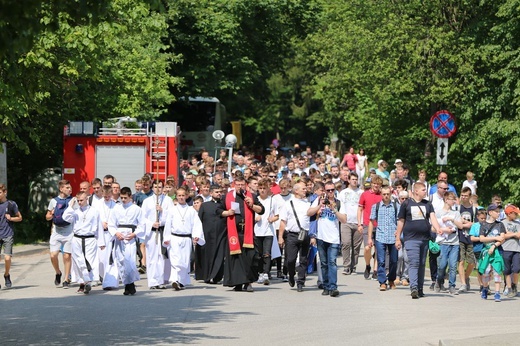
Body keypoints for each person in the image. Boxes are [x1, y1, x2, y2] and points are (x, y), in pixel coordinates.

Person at [395, 182, 443, 299]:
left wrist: (438, 228)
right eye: (423, 189)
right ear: (416, 191)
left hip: (425, 238)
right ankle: (414, 288)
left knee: (421, 264)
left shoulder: (428, 204)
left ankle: (420, 288)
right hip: (411, 238)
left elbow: (433, 218)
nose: (425, 191)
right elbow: (401, 221)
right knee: (414, 263)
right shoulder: (406, 204)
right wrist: (397, 238)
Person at [220, 176, 264, 292]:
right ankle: (237, 283)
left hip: (248, 233)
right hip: (234, 233)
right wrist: (227, 212)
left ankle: (248, 282)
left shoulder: (252, 196)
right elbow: (218, 210)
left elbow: (262, 210)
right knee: (235, 259)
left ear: (246, 185)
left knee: (250, 258)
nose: (240, 187)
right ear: (234, 185)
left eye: (242, 185)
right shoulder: (227, 197)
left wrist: (252, 205)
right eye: (238, 184)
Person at [308, 181, 346, 297]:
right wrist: (320, 205)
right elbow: (309, 213)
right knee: (324, 263)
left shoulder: (339, 203)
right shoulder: (319, 200)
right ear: (324, 190)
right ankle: (325, 285)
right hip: (321, 237)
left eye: (332, 190)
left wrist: (334, 209)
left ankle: (333, 287)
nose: (330, 192)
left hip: (333, 238)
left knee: (332, 262)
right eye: (328, 190)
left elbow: (344, 219)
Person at [163, 186, 205, 291]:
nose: (181, 197)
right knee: (175, 261)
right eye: (179, 195)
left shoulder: (191, 211)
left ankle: (181, 282)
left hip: (186, 238)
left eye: (183, 195)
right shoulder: (172, 210)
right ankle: (174, 280)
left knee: (185, 262)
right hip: (174, 238)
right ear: (176, 196)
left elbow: (196, 224)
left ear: (186, 196)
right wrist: (166, 237)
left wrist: (196, 236)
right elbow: (168, 224)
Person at [62, 192, 105, 294]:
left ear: (87, 199)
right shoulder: (75, 211)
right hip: (77, 239)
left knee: (89, 260)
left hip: (90, 239)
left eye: (81, 200)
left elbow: (99, 227)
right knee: (78, 261)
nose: (80, 202)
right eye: (78, 200)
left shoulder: (94, 211)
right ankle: (82, 283)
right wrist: (70, 206)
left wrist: (101, 242)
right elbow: (65, 218)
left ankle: (88, 282)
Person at [108, 187, 145, 295]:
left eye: (125, 198)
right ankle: (127, 285)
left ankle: (130, 284)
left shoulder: (136, 209)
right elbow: (111, 224)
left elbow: (142, 224)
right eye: (122, 198)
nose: (123, 200)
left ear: (130, 197)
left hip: (130, 237)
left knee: (130, 262)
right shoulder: (116, 208)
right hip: (120, 236)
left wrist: (135, 234)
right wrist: (116, 233)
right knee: (121, 262)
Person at [278, 181, 310, 292]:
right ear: (296, 191)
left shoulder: (308, 203)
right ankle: (291, 274)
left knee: (303, 259)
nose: (305, 191)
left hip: (305, 234)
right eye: (303, 189)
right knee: (290, 260)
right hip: (292, 234)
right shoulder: (288, 203)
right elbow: (283, 221)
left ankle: (300, 281)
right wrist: (280, 237)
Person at [141, 180, 174, 289]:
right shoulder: (147, 201)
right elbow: (142, 218)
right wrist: (151, 223)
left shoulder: (168, 200)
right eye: (155, 186)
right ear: (152, 187)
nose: (157, 189)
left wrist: (162, 211)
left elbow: (171, 216)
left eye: (160, 187)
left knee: (161, 256)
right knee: (152, 256)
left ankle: (161, 280)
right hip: (152, 232)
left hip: (163, 231)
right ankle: (152, 281)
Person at [367, 186, 399, 291]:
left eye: (388, 194)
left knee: (394, 260)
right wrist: (369, 238)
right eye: (384, 194)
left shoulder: (396, 206)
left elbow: (400, 221)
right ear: (381, 194)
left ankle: (391, 279)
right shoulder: (376, 206)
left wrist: (398, 233)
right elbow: (371, 222)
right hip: (380, 236)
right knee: (381, 260)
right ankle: (382, 282)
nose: (386, 196)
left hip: (392, 237)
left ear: (391, 194)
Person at [46, 179, 74, 288]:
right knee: (53, 255)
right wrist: (52, 214)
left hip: (68, 231)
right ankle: (58, 272)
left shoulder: (73, 200)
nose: (69, 189)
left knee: (67, 256)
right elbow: (47, 217)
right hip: (56, 231)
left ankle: (66, 279)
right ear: (61, 189)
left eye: (70, 188)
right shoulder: (54, 201)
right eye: (67, 188)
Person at [434, 192, 464, 295]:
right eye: (452, 199)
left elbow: (460, 226)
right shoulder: (438, 212)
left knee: (452, 265)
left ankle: (452, 286)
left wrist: (452, 219)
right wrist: (444, 229)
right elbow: (433, 228)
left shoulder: (456, 213)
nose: (454, 201)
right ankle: (439, 281)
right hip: (443, 242)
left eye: (454, 199)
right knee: (442, 265)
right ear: (446, 200)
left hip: (454, 243)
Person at [196, 185, 226, 284]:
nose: (219, 193)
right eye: (217, 192)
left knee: (219, 256)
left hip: (221, 235)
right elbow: (199, 220)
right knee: (206, 256)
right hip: (207, 235)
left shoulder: (224, 205)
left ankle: (216, 276)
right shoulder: (204, 205)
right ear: (211, 193)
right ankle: (207, 276)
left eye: (220, 192)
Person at [254, 178, 280, 285]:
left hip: (268, 231)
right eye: (260, 188)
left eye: (264, 188)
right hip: (257, 230)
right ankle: (259, 272)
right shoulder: (255, 199)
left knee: (267, 253)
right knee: (259, 253)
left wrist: (272, 219)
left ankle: (266, 273)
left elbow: (277, 216)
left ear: (268, 189)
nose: (262, 190)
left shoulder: (272, 200)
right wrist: (256, 217)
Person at [478, 204, 506, 301]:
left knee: (497, 271)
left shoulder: (500, 224)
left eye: (499, 211)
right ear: (490, 212)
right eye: (496, 211)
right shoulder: (483, 225)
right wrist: (494, 238)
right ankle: (485, 288)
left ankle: (497, 293)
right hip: (486, 252)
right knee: (486, 272)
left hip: (497, 251)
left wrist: (494, 245)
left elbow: (502, 238)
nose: (498, 213)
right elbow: (481, 238)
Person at [357, 175, 383, 280]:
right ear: (371, 184)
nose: (376, 185)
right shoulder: (365, 194)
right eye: (374, 183)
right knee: (367, 247)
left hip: (380, 225)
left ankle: (375, 270)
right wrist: (359, 224)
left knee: (378, 249)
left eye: (378, 184)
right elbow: (359, 209)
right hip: (367, 224)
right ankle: (368, 265)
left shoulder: (382, 195)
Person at [337, 173, 363, 275]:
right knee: (346, 243)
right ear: (348, 180)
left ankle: (354, 266)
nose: (354, 181)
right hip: (346, 221)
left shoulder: (361, 192)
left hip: (358, 222)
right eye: (353, 179)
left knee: (356, 246)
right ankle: (346, 266)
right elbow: (339, 206)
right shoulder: (343, 193)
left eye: (356, 179)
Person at [94, 185, 118, 290]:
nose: (107, 198)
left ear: (111, 194)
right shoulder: (98, 204)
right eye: (105, 196)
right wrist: (101, 223)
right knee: (101, 257)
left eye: (108, 196)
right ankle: (102, 276)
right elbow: (94, 217)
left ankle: (109, 281)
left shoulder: (116, 205)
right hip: (101, 233)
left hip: (111, 234)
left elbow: (118, 218)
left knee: (111, 258)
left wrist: (111, 224)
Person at [0, 183, 22, 289]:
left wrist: (11, 219)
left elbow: (20, 217)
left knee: (7, 258)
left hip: (7, 234)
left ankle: (6, 274)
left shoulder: (11, 204)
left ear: (5, 192)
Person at [500, 205, 520, 298]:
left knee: (516, 269)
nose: (516, 214)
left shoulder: (518, 223)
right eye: (514, 213)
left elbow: (519, 235)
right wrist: (513, 234)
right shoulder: (502, 223)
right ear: (509, 213)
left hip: (517, 249)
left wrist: (510, 234)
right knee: (507, 270)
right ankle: (509, 287)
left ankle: (514, 285)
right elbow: (503, 236)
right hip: (506, 248)